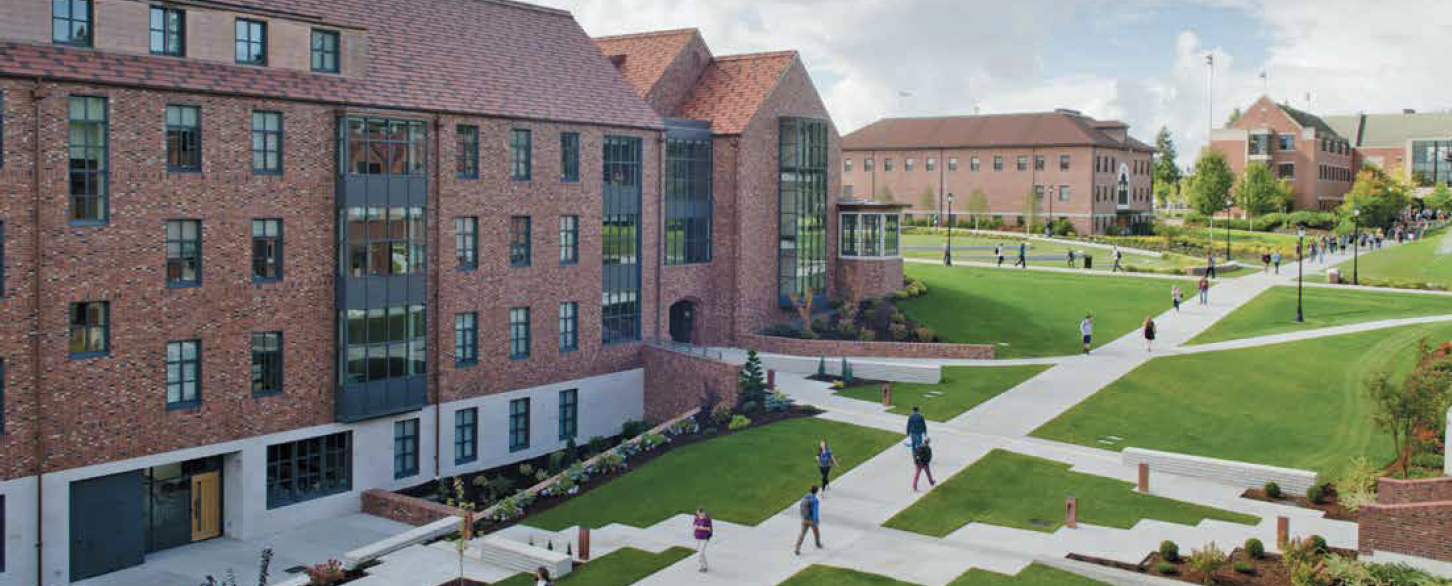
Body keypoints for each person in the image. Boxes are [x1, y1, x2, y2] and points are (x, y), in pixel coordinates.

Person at [793, 486, 822, 556]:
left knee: (802, 534)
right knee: (816, 532)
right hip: (812, 520)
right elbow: (815, 511)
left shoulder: (805, 497)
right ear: (816, 491)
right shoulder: (815, 500)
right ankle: (818, 544)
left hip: (804, 519)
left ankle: (797, 548)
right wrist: (816, 520)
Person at [693, 508, 713, 572]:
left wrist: (701, 528)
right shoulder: (697, 517)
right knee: (700, 553)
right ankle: (704, 566)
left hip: (705, 538)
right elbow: (694, 525)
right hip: (698, 537)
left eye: (698, 513)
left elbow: (709, 529)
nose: (697, 514)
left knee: (701, 553)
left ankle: (704, 567)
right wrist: (698, 527)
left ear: (702, 513)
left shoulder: (707, 519)